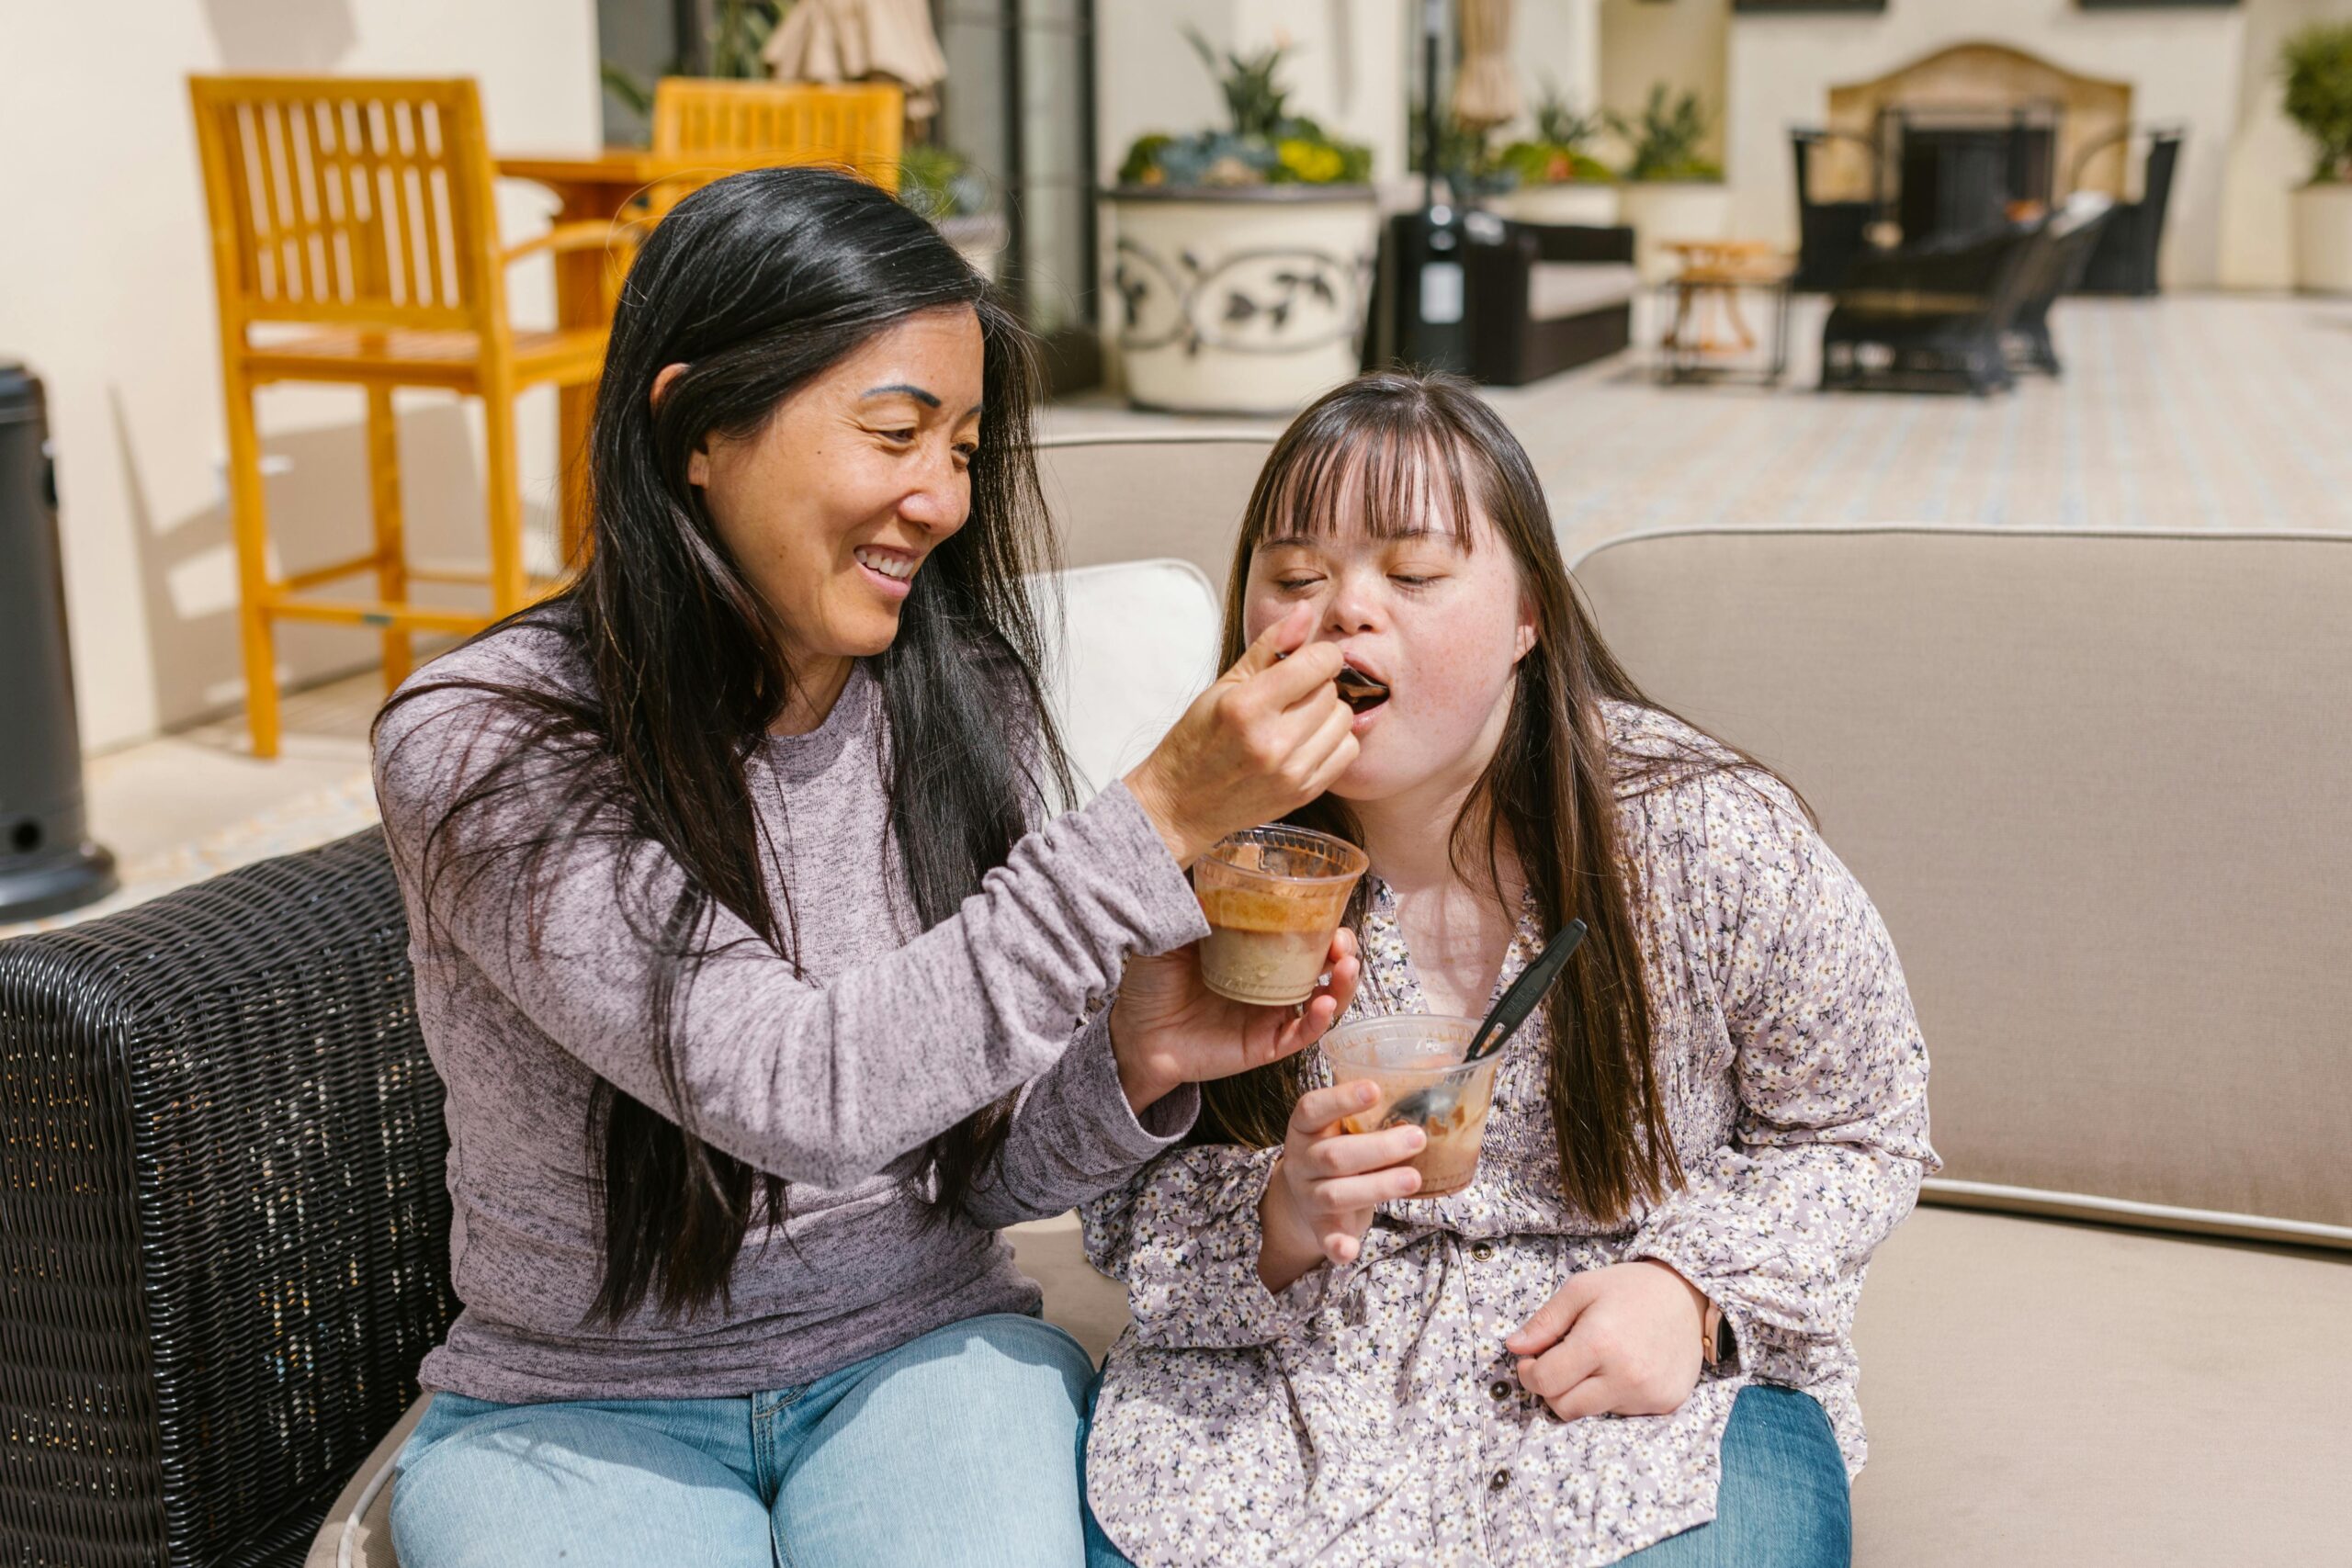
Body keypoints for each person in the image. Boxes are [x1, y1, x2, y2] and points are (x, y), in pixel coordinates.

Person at [370, 166, 1364, 1568]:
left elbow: (974, 1174)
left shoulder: (959, 699)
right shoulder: (487, 741)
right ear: (694, 426)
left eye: (962, 449)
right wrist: (1155, 821)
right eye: (895, 432)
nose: (943, 501)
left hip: (922, 1359)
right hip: (580, 1413)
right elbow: (797, 1090)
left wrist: (1129, 1064)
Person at [1081, 371, 1939, 1568]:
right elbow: (1114, 1195)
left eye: (1415, 573)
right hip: (1287, 1404)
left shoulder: (1701, 837)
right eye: (1294, 578)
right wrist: (1275, 1217)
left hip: (1629, 1393)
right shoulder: (1189, 855)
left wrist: (1688, 1290)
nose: (1342, 614)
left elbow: (1865, 1126)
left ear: (1528, 614)